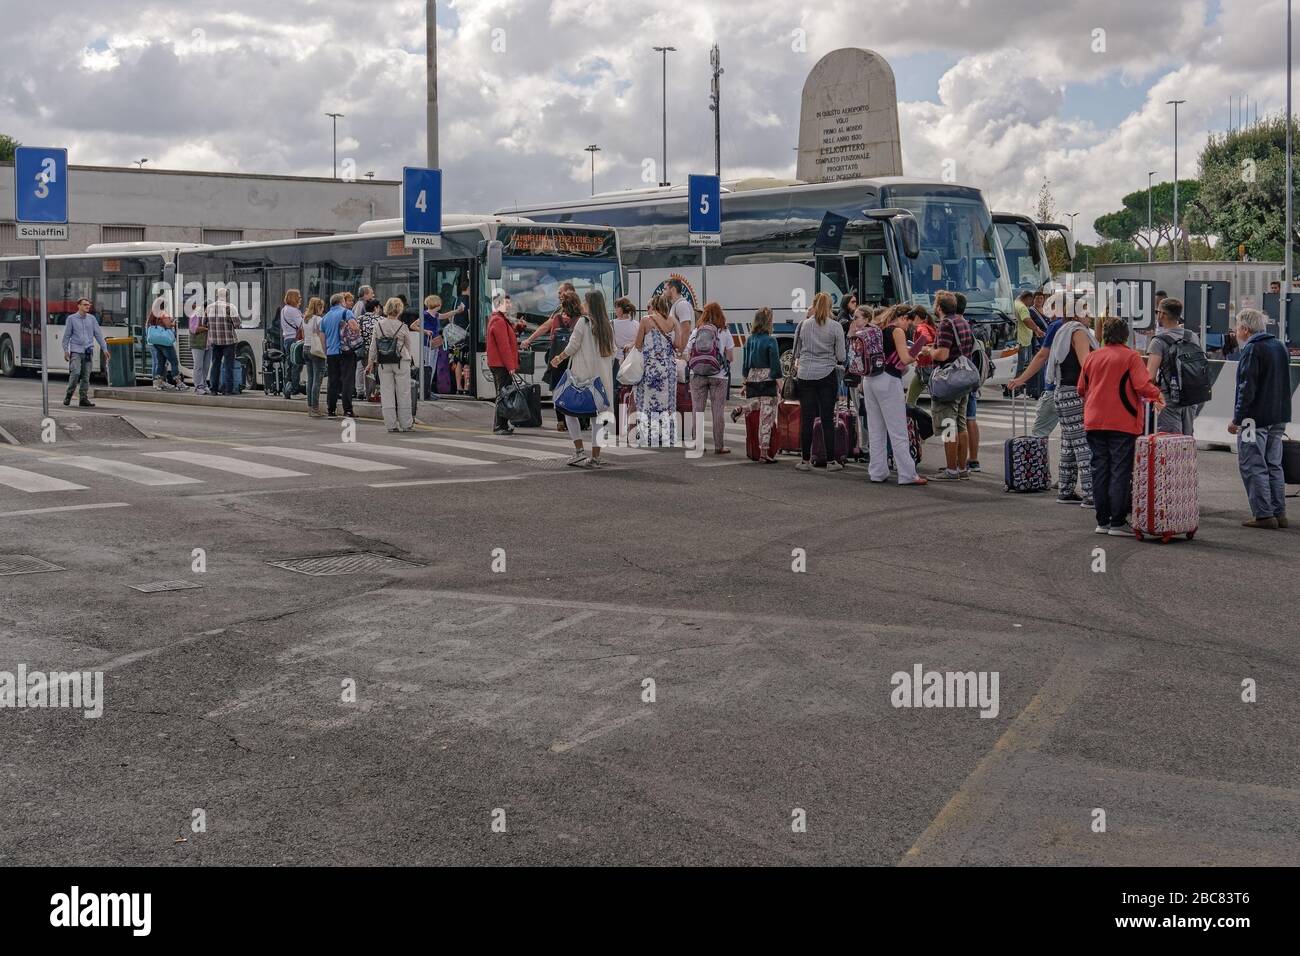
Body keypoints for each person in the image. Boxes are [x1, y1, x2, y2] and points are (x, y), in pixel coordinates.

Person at [1076, 317, 1164, 536]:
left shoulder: (1092, 357)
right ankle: (1117, 521)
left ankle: (1102, 521)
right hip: (1122, 421)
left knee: (1099, 469)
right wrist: (1158, 395)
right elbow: (1142, 385)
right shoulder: (1131, 356)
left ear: (1104, 335)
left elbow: (1081, 388)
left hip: (1094, 420)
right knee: (1120, 470)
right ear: (1126, 335)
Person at [1229, 308, 1291, 529]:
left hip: (1254, 417)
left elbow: (1246, 388)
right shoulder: (1280, 346)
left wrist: (1237, 419)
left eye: (1237, 328)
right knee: (1274, 464)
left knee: (1252, 463)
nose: (1236, 332)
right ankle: (1279, 512)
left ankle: (1263, 515)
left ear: (1245, 329)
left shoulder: (1252, 349)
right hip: (1279, 414)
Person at [549, 290, 616, 467]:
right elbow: (614, 352)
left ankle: (579, 451)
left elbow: (572, 346)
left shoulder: (583, 322)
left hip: (582, 378)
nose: (581, 305)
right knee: (597, 419)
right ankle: (595, 457)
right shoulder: (607, 325)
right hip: (601, 380)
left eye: (584, 302)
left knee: (568, 410)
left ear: (590, 304)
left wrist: (558, 358)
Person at [862, 304, 927, 486]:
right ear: (904, 317)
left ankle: (877, 471)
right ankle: (907, 474)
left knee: (876, 429)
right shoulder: (896, 331)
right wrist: (917, 353)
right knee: (898, 430)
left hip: (870, 380)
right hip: (888, 380)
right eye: (909, 322)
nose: (909, 327)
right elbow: (905, 358)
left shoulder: (877, 328)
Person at [1042, 309, 1096, 505]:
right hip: (1076, 392)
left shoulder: (1063, 330)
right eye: (1087, 313)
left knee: (1069, 443)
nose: (1089, 317)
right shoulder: (1079, 331)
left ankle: (1065, 490)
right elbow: (1086, 364)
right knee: (1083, 443)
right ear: (1076, 315)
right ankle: (1091, 494)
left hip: (1061, 390)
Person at [920, 290, 976, 480]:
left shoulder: (945, 324)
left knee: (948, 425)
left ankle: (951, 469)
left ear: (939, 307)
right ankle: (961, 468)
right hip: (963, 380)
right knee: (961, 424)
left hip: (948, 380)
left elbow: (943, 354)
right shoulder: (962, 322)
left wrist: (929, 351)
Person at [791, 291, 846, 472]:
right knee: (826, 419)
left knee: (807, 418)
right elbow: (841, 356)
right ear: (831, 307)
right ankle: (830, 461)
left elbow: (796, 352)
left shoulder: (803, 325)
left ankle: (805, 460)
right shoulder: (836, 327)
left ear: (813, 305)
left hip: (805, 374)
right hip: (826, 374)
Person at [1144, 297, 1205, 436]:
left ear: (1162, 314)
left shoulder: (1158, 341)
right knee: (1187, 440)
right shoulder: (1193, 336)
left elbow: (1150, 376)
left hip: (1170, 398)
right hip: (1191, 397)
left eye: (1157, 311)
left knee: (1170, 442)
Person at [732, 306, 782, 462]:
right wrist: (779, 382)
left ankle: (742, 409)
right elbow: (775, 363)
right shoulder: (771, 340)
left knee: (758, 405)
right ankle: (764, 453)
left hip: (753, 377)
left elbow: (745, 363)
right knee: (767, 417)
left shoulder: (750, 340)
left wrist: (745, 382)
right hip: (767, 379)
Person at [685, 302, 734, 455]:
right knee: (717, 410)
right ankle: (719, 446)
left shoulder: (696, 331)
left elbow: (688, 354)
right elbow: (730, 357)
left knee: (697, 410)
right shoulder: (724, 332)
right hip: (718, 376)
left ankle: (698, 444)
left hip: (697, 375)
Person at [631, 294, 679, 447]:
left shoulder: (646, 320)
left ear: (655, 306)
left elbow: (637, 345)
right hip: (669, 368)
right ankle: (666, 436)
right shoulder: (673, 321)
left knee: (648, 401)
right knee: (668, 403)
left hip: (652, 367)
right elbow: (678, 344)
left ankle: (648, 436)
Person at [365, 297, 415, 433]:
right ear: (399, 310)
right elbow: (408, 347)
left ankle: (391, 425)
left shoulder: (379, 325)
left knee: (387, 392)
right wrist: (408, 359)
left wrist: (370, 362)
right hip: (401, 361)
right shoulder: (403, 326)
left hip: (383, 362)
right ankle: (406, 424)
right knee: (403, 393)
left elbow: (373, 346)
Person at [61, 297, 109, 408]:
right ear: (78, 306)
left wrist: (105, 349)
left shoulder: (92, 319)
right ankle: (68, 395)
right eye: (85, 304)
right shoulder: (71, 319)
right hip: (76, 351)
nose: (87, 306)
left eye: (88, 305)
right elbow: (66, 336)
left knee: (86, 376)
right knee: (76, 373)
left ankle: (83, 398)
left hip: (88, 351)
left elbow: (98, 335)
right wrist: (66, 350)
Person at [955, 293, 984, 473]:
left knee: (952, 421)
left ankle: (954, 463)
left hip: (954, 379)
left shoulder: (951, 325)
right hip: (970, 377)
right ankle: (973, 460)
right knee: (970, 419)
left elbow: (943, 353)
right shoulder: (968, 325)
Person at [486, 291, 521, 435]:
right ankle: (499, 426)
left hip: (499, 363)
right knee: (503, 395)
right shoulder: (499, 321)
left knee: (503, 394)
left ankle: (503, 424)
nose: (510, 305)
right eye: (507, 303)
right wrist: (511, 366)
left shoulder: (499, 319)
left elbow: (507, 338)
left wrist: (518, 328)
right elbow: (504, 346)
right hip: (501, 364)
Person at [321, 293, 355, 419]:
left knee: (333, 381)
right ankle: (348, 410)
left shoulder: (325, 317)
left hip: (331, 353)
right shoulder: (346, 313)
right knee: (347, 380)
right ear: (341, 302)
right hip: (345, 352)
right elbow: (354, 327)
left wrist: (326, 352)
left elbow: (322, 338)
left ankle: (331, 409)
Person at [205, 288, 240, 395]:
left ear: (217, 295)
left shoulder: (209, 307)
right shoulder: (230, 307)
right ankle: (228, 389)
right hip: (229, 341)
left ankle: (214, 389)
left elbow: (204, 322)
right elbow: (237, 324)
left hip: (215, 341)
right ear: (227, 296)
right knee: (228, 365)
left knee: (215, 364)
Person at [301, 297, 328, 417]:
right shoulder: (318, 319)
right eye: (322, 307)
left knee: (310, 379)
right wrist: (325, 350)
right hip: (316, 349)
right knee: (317, 380)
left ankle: (310, 407)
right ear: (318, 307)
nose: (323, 310)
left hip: (305, 348)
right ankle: (316, 408)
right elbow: (321, 335)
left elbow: (302, 334)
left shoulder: (305, 319)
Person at [146, 300, 181, 390]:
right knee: (174, 361)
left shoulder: (153, 314)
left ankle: (158, 383)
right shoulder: (163, 313)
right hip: (165, 342)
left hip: (156, 343)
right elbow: (168, 325)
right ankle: (178, 382)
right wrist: (173, 323)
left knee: (160, 363)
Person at [906, 306, 937, 406]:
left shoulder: (921, 327)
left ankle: (912, 419)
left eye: (911, 318)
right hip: (929, 367)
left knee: (910, 401)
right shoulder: (930, 325)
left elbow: (926, 338)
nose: (910, 322)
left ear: (916, 317)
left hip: (925, 368)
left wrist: (920, 347)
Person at [279, 289, 304, 398]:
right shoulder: (294, 311)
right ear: (294, 298)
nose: (300, 299)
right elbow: (302, 325)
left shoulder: (284, 309)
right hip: (295, 339)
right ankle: (294, 389)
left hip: (287, 340)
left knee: (290, 364)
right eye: (298, 297)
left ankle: (287, 388)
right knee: (296, 365)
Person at [664, 278, 695, 351]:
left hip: (682, 352)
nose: (663, 292)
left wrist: (680, 352)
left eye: (665, 289)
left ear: (673, 290)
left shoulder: (681, 305)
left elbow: (686, 330)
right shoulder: (676, 305)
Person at [188, 305, 210, 396]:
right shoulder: (196, 315)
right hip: (197, 344)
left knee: (206, 366)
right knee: (198, 366)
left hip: (207, 344)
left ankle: (204, 384)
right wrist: (206, 328)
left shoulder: (208, 316)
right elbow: (193, 329)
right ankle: (198, 387)